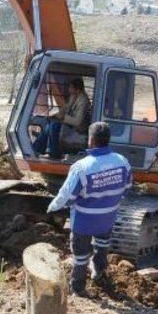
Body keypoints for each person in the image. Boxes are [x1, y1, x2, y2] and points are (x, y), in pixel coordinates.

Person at [47, 121, 132, 295]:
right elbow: (127, 187)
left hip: (84, 221)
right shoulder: (123, 162)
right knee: (102, 245)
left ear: (90, 140)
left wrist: (53, 207)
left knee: (80, 255)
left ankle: (78, 287)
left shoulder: (82, 167)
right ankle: (99, 273)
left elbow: (67, 197)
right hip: (107, 218)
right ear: (108, 139)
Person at [33, 76, 91, 159]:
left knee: (54, 126)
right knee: (50, 124)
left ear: (77, 90)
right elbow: (66, 108)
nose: (68, 89)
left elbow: (78, 122)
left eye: (71, 87)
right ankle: (37, 149)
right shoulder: (73, 96)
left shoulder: (83, 102)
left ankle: (53, 153)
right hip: (71, 126)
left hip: (78, 130)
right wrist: (56, 115)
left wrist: (63, 117)